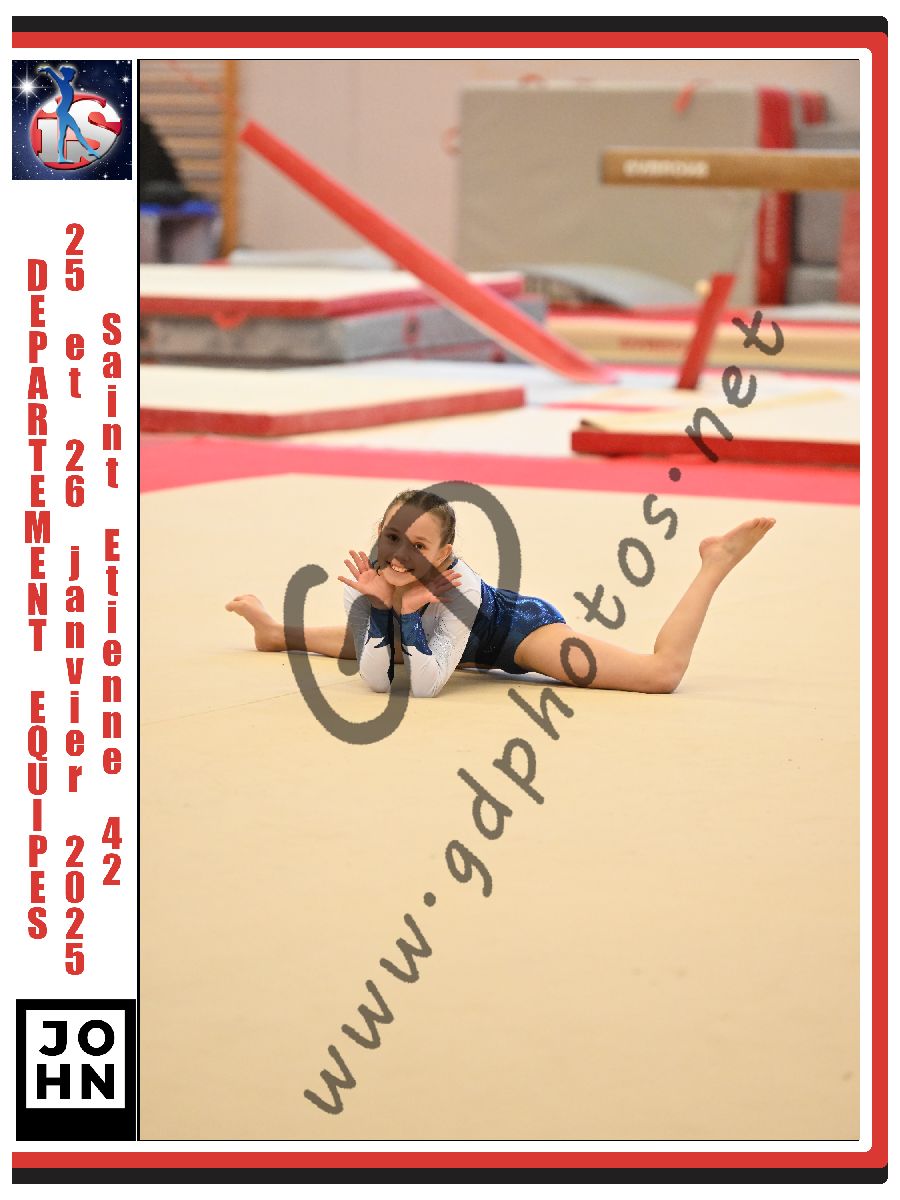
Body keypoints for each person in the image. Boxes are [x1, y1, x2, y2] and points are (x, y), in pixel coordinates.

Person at [226, 487, 775, 698]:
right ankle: (275, 633)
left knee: (658, 676)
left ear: (444, 554)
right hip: (433, 644)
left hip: (512, 633)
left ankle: (714, 562)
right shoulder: (367, 574)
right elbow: (375, 676)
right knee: (372, 635)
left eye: (419, 546)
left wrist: (410, 614)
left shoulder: (459, 587)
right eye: (392, 537)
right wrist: (382, 605)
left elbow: (426, 687)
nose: (400, 556)